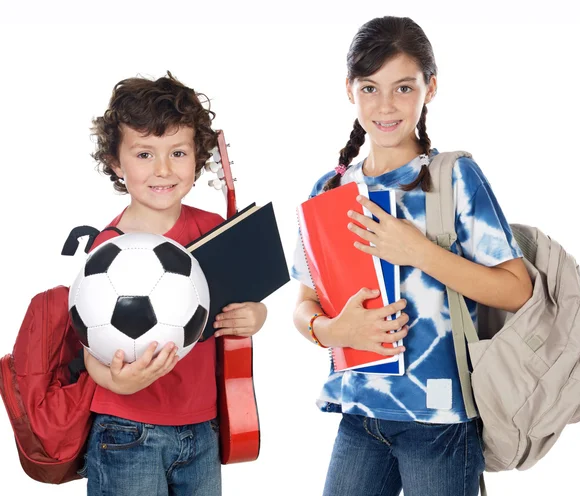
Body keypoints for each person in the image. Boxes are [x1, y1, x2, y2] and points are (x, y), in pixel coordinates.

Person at [291, 17, 533, 496]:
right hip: (360, 415)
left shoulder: (454, 176)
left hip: (440, 420)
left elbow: (516, 289)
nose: (385, 106)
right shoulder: (330, 189)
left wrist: (418, 251)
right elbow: (304, 302)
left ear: (430, 87)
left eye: (403, 87)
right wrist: (330, 331)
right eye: (370, 88)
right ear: (349, 90)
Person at [81, 71, 267, 496]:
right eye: (144, 154)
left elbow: (241, 307)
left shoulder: (214, 230)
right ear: (115, 162)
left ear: (199, 158)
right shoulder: (107, 250)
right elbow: (88, 346)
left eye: (178, 152)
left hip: (202, 428)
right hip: (127, 431)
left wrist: (255, 315)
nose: (163, 169)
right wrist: (116, 382)